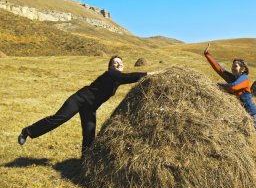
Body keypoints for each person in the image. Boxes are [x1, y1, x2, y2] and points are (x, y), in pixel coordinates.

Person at [18, 56, 156, 156]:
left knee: (89, 133)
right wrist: (150, 74)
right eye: (115, 63)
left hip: (90, 108)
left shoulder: (117, 80)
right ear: (110, 66)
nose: (118, 64)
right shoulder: (111, 74)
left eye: (120, 62)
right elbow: (130, 77)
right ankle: (27, 131)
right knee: (59, 119)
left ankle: (85, 159)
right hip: (79, 100)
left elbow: (127, 79)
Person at [204, 43, 256, 178]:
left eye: (235, 66)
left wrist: (216, 85)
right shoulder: (234, 77)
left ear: (242, 69)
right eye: (232, 65)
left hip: (254, 115)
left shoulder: (244, 79)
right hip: (243, 116)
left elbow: (233, 88)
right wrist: (207, 55)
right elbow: (220, 70)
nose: (232, 67)